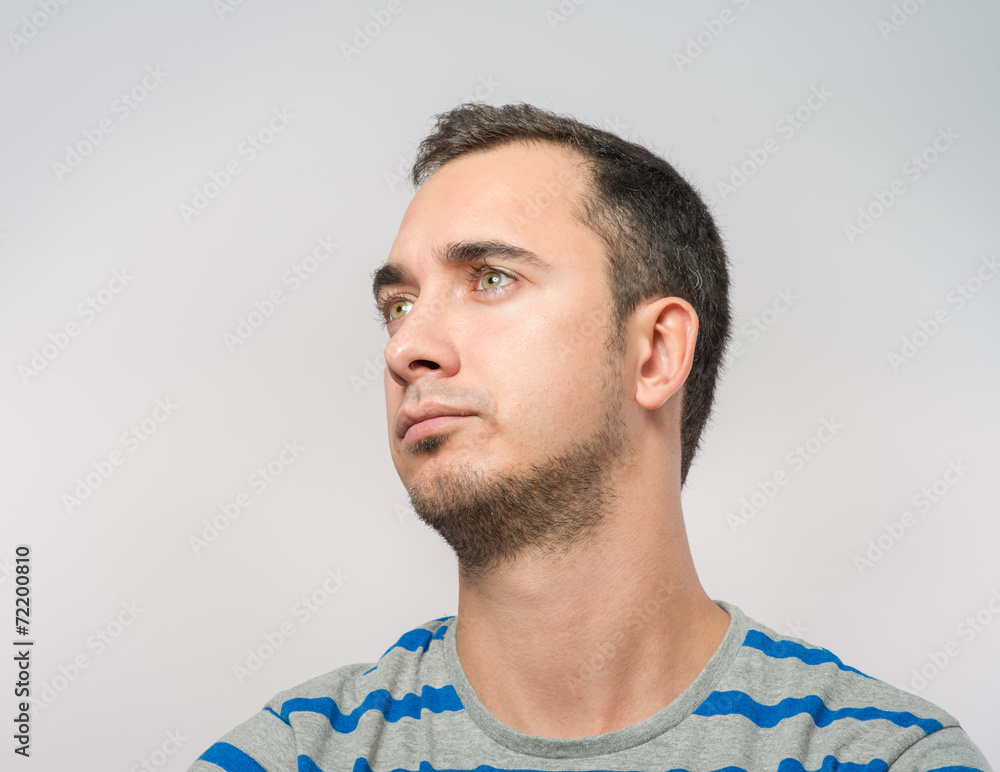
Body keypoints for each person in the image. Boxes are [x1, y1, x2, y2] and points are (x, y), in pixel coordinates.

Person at [188, 103, 991, 772]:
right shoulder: (295, 754)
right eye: (398, 306)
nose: (407, 348)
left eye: (490, 278)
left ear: (656, 353)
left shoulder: (884, 758)